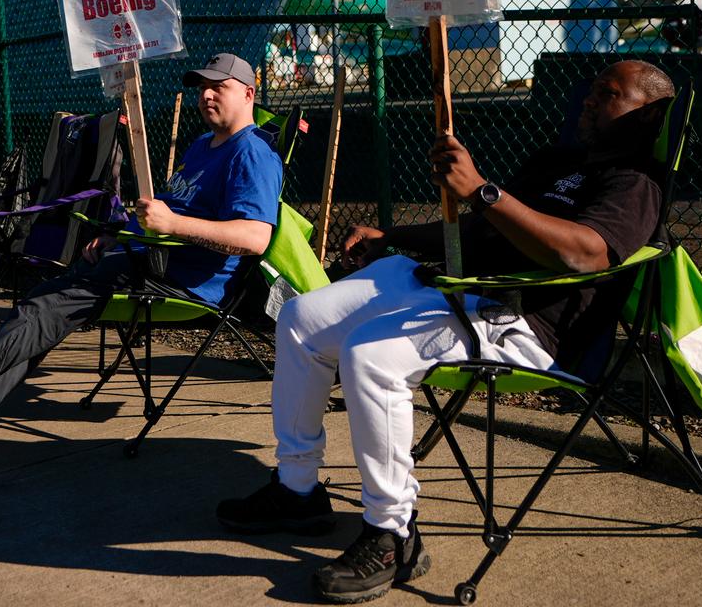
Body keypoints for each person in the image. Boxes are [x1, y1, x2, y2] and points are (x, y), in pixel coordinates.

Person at [216, 60, 676, 605]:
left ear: (646, 116)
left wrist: (482, 189)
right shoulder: (556, 161)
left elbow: (585, 253)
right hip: (456, 284)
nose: (590, 100)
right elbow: (484, 227)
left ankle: (393, 535)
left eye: (610, 93)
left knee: (370, 355)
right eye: (593, 89)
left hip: (521, 320)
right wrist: (396, 234)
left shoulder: (636, 181)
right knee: (301, 319)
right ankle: (297, 491)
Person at [0, 52, 284, 458]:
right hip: (141, 258)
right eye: (202, 88)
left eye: (220, 88)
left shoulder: (252, 153)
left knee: (42, 308)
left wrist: (172, 226)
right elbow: (165, 213)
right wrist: (120, 236)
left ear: (248, 93)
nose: (207, 96)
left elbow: (253, 238)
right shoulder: (201, 146)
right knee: (43, 315)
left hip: (179, 278)